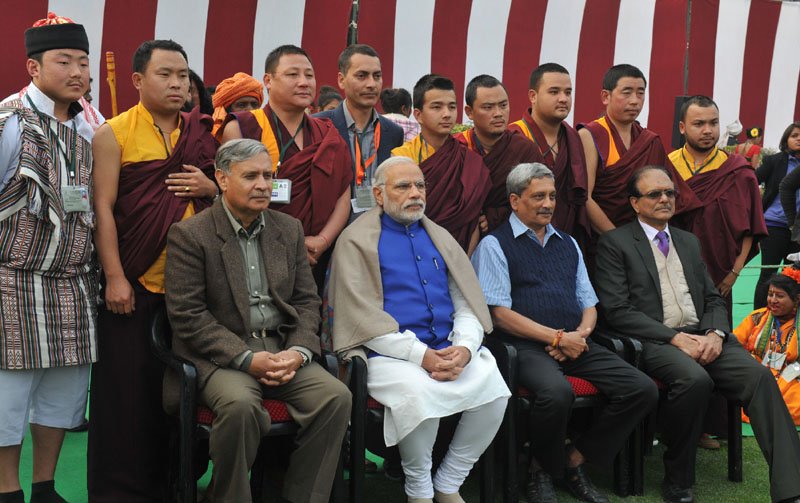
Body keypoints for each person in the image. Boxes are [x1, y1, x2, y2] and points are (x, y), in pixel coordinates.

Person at [594, 165, 800, 503]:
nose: (665, 199)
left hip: (705, 336)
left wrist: (716, 334)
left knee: (759, 376)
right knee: (694, 380)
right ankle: (678, 479)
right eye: (654, 194)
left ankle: (791, 488)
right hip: (655, 341)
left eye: (669, 193)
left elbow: (712, 297)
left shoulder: (688, 242)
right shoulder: (616, 244)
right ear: (634, 202)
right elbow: (617, 311)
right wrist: (673, 338)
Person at [164, 138, 351, 503]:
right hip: (222, 358)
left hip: (282, 350)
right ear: (221, 178)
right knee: (240, 407)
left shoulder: (288, 228)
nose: (264, 184)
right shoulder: (191, 234)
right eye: (251, 176)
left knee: (336, 397)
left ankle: (301, 497)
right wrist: (247, 359)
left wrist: (298, 351)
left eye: (268, 175)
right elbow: (187, 315)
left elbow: (306, 301)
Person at [471, 163, 657, 503]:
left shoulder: (568, 243)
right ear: (514, 201)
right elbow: (498, 315)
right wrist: (555, 338)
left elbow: (588, 301)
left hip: (575, 343)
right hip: (523, 347)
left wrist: (580, 335)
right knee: (556, 393)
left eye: (552, 196)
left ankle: (574, 461)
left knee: (641, 389)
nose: (548, 204)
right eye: (537, 196)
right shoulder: (494, 246)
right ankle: (539, 470)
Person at [329, 156, 510, 503]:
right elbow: (360, 317)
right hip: (386, 354)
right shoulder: (356, 240)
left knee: (494, 388)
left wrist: (466, 347)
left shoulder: (439, 235)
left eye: (420, 186)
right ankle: (419, 489)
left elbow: (465, 301)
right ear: (379, 195)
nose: (415, 193)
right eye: (403, 186)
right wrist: (420, 355)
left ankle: (449, 482)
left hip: (447, 348)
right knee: (417, 393)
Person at [89, 39, 219, 502]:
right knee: (128, 397)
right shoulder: (114, 133)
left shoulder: (203, 133)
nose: (178, 83)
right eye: (166, 74)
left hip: (195, 291)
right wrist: (115, 277)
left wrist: (212, 186)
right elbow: (102, 210)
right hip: (137, 283)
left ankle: (178, 486)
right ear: (139, 81)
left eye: (184, 75)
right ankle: (122, 493)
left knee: (185, 396)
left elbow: (233, 201)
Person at [0, 13, 97, 503]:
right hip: (13, 278)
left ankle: (45, 486)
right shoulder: (8, 121)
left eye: (83, 61)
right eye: (64, 61)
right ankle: (6, 489)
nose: (78, 71)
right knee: (9, 393)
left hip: (71, 280)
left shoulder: (87, 125)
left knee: (64, 392)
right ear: (33, 67)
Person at [219, 44, 353, 290]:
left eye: (309, 75)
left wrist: (322, 241)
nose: (304, 82)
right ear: (268, 80)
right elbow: (232, 197)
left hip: (317, 255)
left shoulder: (328, 134)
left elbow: (343, 196)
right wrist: (286, 243)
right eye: (293, 75)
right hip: (256, 251)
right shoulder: (242, 127)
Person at [668, 95, 766, 316]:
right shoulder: (666, 166)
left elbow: (750, 227)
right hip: (672, 269)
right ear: (682, 127)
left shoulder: (738, 171)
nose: (707, 130)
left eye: (713, 123)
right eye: (698, 124)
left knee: (716, 337)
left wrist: (734, 272)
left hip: (720, 274)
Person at [577, 64, 700, 233]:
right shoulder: (591, 135)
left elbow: (669, 192)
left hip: (645, 236)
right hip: (603, 239)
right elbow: (585, 197)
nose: (635, 100)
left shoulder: (649, 141)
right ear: (606, 96)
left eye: (640, 93)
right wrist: (616, 240)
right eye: (626, 92)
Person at [391, 74, 490, 253]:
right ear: (418, 115)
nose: (447, 114)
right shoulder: (402, 158)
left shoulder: (469, 160)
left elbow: (472, 219)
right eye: (437, 107)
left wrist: (462, 264)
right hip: (413, 250)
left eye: (452, 107)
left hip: (461, 253)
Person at [315, 44, 404, 217]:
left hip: (378, 227)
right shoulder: (320, 125)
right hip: (330, 229)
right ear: (341, 80)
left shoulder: (393, 132)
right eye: (361, 76)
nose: (371, 84)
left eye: (377, 76)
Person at [508, 63, 590, 244]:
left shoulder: (573, 138)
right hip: (520, 239)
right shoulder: (514, 135)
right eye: (554, 92)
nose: (563, 99)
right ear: (533, 96)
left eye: (568, 93)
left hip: (564, 237)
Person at [453, 75, 539, 233]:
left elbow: (537, 199)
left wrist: (495, 216)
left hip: (513, 236)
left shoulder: (524, 149)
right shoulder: (457, 148)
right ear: (469, 112)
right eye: (488, 107)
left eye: (503, 105)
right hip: (461, 236)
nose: (498, 113)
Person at [735, 268, 800, 425]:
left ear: (796, 300)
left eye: (780, 296)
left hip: (791, 376)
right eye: (771, 294)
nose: (773, 300)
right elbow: (735, 343)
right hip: (757, 373)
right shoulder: (758, 317)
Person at [210, 72, 263, 136]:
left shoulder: (268, 130)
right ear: (227, 110)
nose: (250, 110)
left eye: (254, 104)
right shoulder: (212, 137)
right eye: (242, 105)